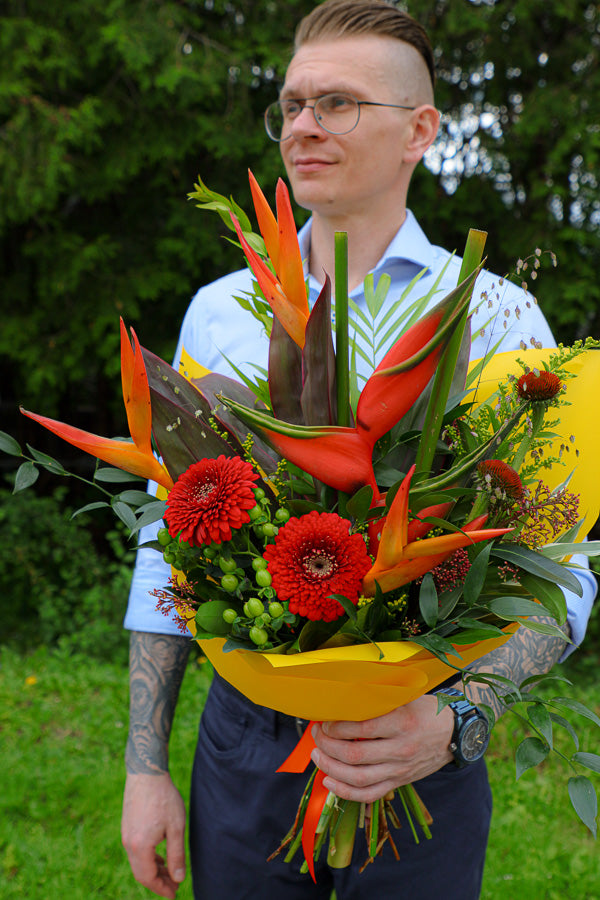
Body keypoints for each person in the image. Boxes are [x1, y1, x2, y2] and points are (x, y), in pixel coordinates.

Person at [121, 3, 597, 899]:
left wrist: (455, 717)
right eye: (292, 104)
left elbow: (561, 565)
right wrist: (146, 768)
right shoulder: (221, 311)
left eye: (337, 103)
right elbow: (169, 545)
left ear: (421, 130)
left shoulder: (497, 317)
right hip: (247, 737)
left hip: (418, 741)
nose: (303, 125)